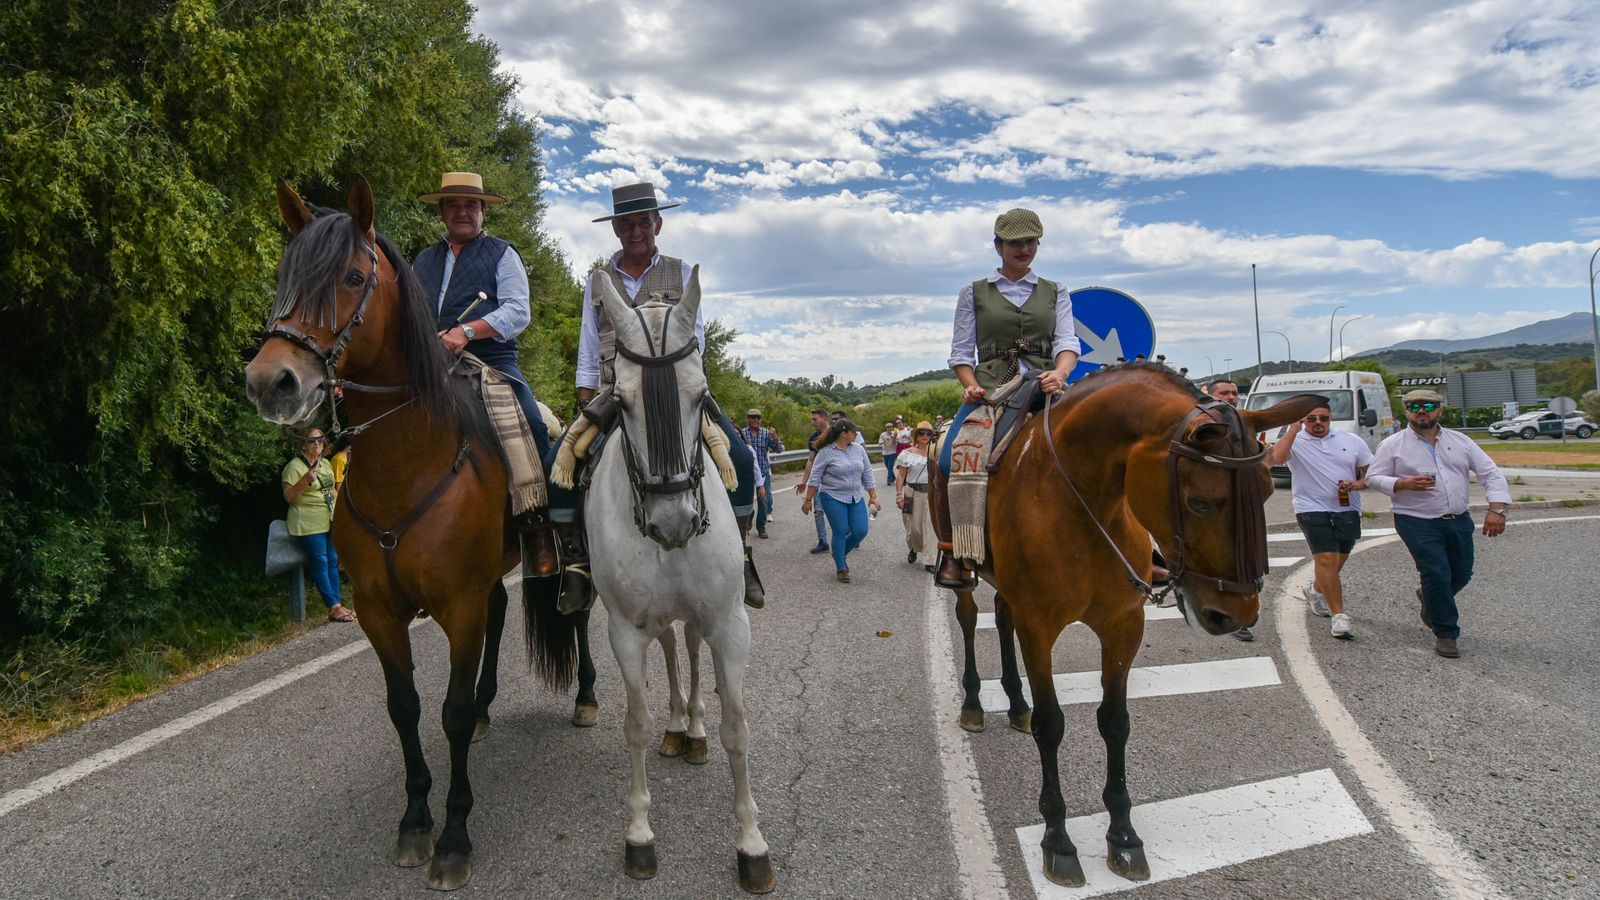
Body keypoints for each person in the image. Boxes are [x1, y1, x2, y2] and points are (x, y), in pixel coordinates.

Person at [556, 182, 761, 609]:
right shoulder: (598, 281)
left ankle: (741, 555)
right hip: (617, 394)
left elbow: (696, 339)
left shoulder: (682, 272)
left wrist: (690, 391)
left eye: (643, 223)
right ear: (616, 229)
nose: (636, 231)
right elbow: (589, 345)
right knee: (561, 462)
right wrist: (585, 398)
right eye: (627, 224)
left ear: (658, 224)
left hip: (676, 392)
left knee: (740, 457)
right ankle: (577, 564)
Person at [411, 171, 557, 572]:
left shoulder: (502, 254)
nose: (462, 212)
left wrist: (466, 331)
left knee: (529, 419)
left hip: (491, 360)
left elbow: (517, 310)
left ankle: (539, 527)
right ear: (442, 211)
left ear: (483, 213)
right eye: (453, 204)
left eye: (470, 205)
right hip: (429, 363)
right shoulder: (423, 260)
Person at [932, 207, 1081, 589]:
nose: (1024, 249)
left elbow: (1066, 342)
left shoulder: (1055, 290)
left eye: (1031, 242)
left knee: (1106, 442)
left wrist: (1060, 374)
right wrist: (968, 383)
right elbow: (961, 352)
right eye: (1015, 243)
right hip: (991, 387)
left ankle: (1140, 547)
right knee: (950, 456)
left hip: (1045, 382)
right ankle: (953, 549)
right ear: (999, 246)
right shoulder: (974, 292)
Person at [1366, 389, 1510, 658]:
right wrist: (1401, 483)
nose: (1422, 410)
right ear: (1406, 412)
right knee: (1436, 573)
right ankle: (1446, 633)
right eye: (1414, 406)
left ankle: (1430, 598)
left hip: (1458, 519)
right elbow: (1374, 477)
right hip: (1416, 520)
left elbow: (1490, 473)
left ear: (1440, 411)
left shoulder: (1461, 441)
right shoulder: (1393, 445)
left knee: (1461, 574)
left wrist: (1497, 509)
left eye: (1429, 405)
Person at [1267, 403, 1372, 639]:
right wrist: (1293, 428)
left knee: (1339, 559)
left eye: (1323, 418)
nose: (1317, 423)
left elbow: (1371, 471)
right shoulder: (1296, 440)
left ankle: (1315, 589)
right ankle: (1339, 617)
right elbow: (1276, 458)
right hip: (1310, 507)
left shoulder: (1352, 440)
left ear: (1330, 417)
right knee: (1326, 558)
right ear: (1303, 420)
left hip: (1347, 507)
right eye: (1311, 418)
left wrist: (1358, 484)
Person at [282, 430, 355, 623]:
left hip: (327, 518)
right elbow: (289, 497)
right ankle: (333, 606)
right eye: (312, 440)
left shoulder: (325, 464)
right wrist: (305, 480)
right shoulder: (294, 467)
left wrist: (340, 514)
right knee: (320, 562)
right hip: (306, 521)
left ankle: (337, 604)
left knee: (332, 560)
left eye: (321, 440)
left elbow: (332, 488)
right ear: (303, 444)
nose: (317, 444)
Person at [1204, 378, 1258, 639]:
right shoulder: (1200, 426)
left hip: (1240, 506)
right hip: (1208, 507)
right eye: (1224, 392)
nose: (1231, 397)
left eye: (1235, 393)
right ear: (1211, 397)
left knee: (1245, 560)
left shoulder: (1244, 426)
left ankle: (1243, 615)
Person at [801, 419, 881, 583]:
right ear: (844, 433)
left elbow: (867, 472)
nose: (857, 434)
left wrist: (873, 495)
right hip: (832, 495)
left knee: (861, 530)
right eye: (854, 431)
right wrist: (808, 500)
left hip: (854, 495)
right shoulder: (826, 452)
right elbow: (815, 477)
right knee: (841, 530)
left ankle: (839, 552)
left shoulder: (858, 449)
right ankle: (841, 567)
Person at [895, 421, 936, 569]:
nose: (925, 436)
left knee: (930, 528)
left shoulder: (935, 453)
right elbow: (900, 476)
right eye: (922, 433)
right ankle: (913, 546)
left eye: (928, 433)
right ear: (916, 435)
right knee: (914, 528)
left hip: (931, 494)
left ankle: (930, 560)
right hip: (912, 493)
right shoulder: (907, 453)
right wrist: (899, 495)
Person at [741, 408, 784, 539]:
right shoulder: (742, 434)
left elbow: (779, 450)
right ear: (747, 418)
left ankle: (761, 528)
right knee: (745, 502)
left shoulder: (766, 434)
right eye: (753, 417)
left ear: (761, 420)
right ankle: (745, 524)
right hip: (746, 473)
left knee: (763, 502)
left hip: (763, 472)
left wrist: (775, 436)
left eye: (758, 418)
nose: (755, 420)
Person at [797, 408, 833, 554]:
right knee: (818, 511)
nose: (812, 422)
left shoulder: (836, 434)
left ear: (824, 418)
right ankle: (822, 541)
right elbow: (811, 460)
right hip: (818, 480)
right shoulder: (813, 438)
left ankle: (849, 534)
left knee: (838, 510)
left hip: (836, 480)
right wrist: (804, 481)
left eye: (815, 419)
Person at [879, 422, 899, 487]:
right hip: (885, 452)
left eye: (890, 427)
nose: (889, 428)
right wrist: (885, 441)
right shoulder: (883, 435)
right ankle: (893, 477)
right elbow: (880, 443)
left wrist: (894, 437)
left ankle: (889, 480)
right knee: (888, 467)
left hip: (892, 452)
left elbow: (896, 442)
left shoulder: (894, 433)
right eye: (888, 427)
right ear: (886, 428)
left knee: (890, 466)